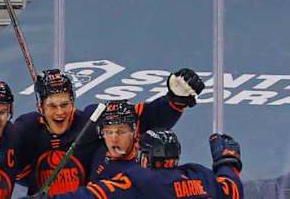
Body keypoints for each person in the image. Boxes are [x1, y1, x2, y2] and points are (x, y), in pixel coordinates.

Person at [14, 68, 204, 196]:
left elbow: (146, 118)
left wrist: (175, 99)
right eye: (52, 106)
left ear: (73, 100)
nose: (59, 112)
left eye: (65, 104)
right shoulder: (26, 128)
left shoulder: (93, 119)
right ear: (39, 105)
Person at [24, 129, 243, 199]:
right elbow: (232, 188)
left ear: (145, 157)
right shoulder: (199, 175)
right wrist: (227, 160)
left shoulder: (140, 179)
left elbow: (94, 195)